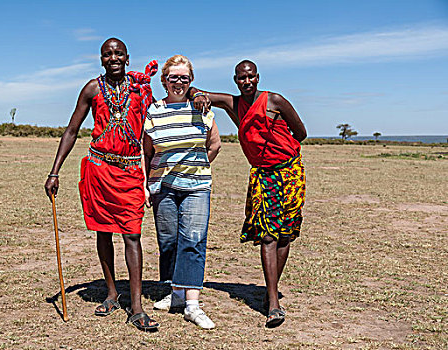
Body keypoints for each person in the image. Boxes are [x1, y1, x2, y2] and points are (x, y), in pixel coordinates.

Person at [44, 38, 159, 331]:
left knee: (132, 235)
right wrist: (54, 171)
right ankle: (111, 293)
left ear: (128, 58)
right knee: (104, 232)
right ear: (101, 59)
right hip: (99, 169)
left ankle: (136, 307)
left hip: (131, 170)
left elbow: (158, 120)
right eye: (107, 54)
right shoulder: (92, 89)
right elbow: (72, 130)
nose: (113, 58)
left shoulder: (141, 89)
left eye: (118, 53)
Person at [188, 60, 307, 328]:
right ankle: (274, 304)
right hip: (263, 176)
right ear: (235, 80)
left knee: (285, 234)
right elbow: (197, 90)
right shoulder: (234, 104)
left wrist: (279, 142)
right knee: (267, 235)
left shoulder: (274, 100)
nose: (247, 82)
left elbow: (301, 132)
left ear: (258, 77)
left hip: (289, 172)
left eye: (251, 77)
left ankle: (270, 291)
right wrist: (198, 98)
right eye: (241, 78)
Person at [143, 55, 221, 329]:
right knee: (169, 241)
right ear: (164, 80)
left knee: (194, 240)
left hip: (197, 186)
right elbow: (148, 152)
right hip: (163, 186)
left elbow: (215, 145)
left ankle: (192, 304)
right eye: (173, 77)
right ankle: (175, 295)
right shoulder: (153, 112)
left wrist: (195, 167)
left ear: (191, 81)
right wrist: (147, 184)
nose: (178, 82)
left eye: (184, 77)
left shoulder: (201, 108)